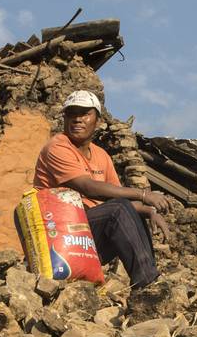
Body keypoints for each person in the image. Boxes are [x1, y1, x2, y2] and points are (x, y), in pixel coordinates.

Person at [32, 90, 172, 289]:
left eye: (85, 114)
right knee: (119, 209)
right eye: (72, 114)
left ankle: (147, 280)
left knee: (130, 212)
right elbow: (89, 188)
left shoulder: (101, 155)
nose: (77, 119)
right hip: (59, 237)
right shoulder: (57, 147)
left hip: (85, 237)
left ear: (97, 120)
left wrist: (150, 211)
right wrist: (143, 194)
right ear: (64, 119)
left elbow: (116, 199)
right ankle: (148, 286)